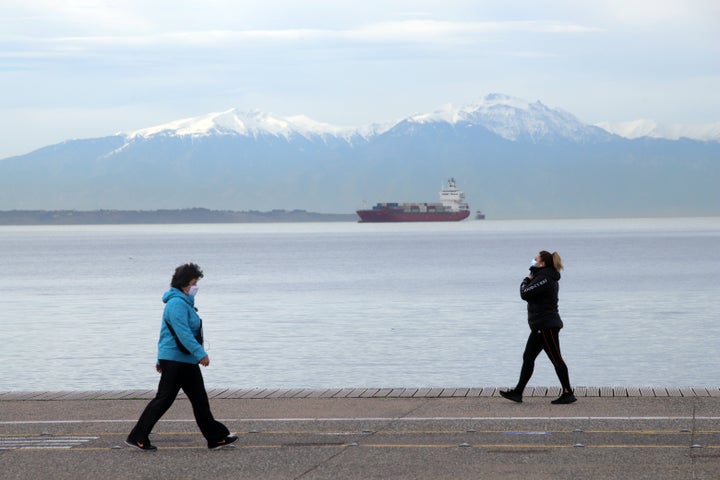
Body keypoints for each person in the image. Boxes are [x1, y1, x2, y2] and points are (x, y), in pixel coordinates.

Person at [126, 263, 238, 451]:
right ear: (184, 284)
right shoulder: (176, 304)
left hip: (182, 360)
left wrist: (161, 359)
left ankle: (216, 438)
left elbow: (166, 335)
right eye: (194, 283)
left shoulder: (183, 303)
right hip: (178, 361)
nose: (196, 287)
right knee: (164, 400)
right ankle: (138, 436)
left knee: (198, 400)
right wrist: (200, 354)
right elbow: (182, 333)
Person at [500, 251, 577, 405]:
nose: (533, 260)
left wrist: (526, 279)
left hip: (546, 326)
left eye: (535, 259)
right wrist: (531, 278)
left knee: (556, 359)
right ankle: (518, 392)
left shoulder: (545, 278)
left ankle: (568, 393)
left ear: (542, 263)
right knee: (528, 357)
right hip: (539, 326)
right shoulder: (542, 276)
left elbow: (525, 293)